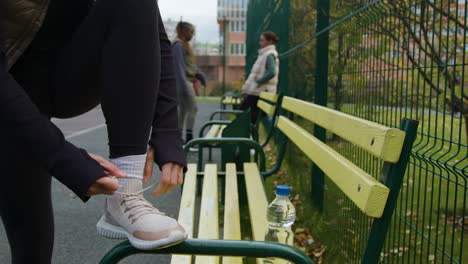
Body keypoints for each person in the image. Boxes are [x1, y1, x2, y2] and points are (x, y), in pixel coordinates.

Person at [0, 0, 187, 263]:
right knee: (30, 239)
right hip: (11, 85)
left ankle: (126, 194)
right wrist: (64, 159)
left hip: (68, 76)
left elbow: (154, 34)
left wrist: (167, 131)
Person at [172, 21, 207, 145]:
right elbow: (179, 67)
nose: (192, 34)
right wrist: (183, 87)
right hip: (184, 82)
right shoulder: (178, 45)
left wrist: (201, 76)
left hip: (187, 81)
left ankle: (178, 138)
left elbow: (191, 66)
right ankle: (189, 139)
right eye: (191, 32)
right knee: (193, 108)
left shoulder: (185, 45)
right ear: (183, 31)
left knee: (184, 110)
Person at [240, 31, 280, 124]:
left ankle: (246, 136)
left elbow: (272, 72)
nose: (260, 43)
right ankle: (247, 136)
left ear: (270, 42)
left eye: (262, 40)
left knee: (243, 113)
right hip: (258, 92)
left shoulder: (269, 54)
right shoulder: (265, 54)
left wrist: (258, 82)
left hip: (259, 92)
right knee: (245, 115)